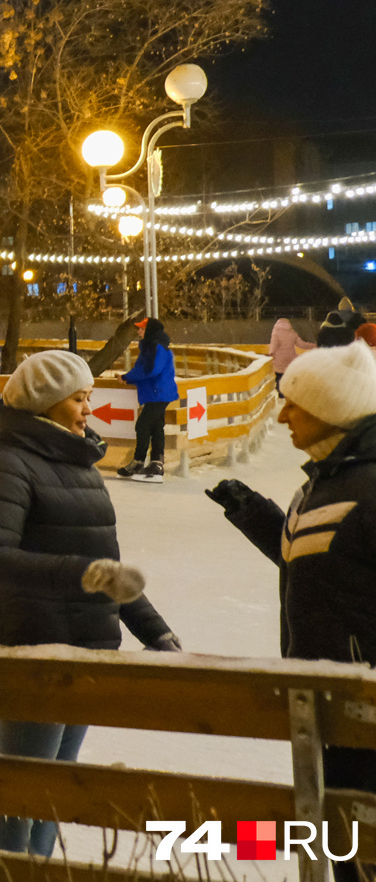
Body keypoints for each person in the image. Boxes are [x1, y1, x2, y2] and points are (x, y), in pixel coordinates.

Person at [0, 350, 180, 858]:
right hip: (33, 650)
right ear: (47, 403)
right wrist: (81, 576)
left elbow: (106, 567)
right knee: (24, 792)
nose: (90, 408)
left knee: (56, 790)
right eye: (80, 398)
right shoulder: (8, 458)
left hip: (88, 649)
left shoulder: (78, 459)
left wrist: (156, 631)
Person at [207, 341, 376, 878]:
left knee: (359, 844)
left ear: (329, 412)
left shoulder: (370, 489)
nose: (280, 415)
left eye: (293, 404)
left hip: (362, 710)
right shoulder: (322, 483)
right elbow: (312, 559)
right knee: (337, 838)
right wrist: (255, 513)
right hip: (325, 704)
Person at [117, 319, 175, 482]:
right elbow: (142, 368)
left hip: (159, 392)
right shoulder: (150, 346)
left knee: (142, 424)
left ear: (149, 330)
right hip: (155, 392)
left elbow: (151, 370)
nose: (139, 332)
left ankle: (139, 462)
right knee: (156, 426)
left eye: (142, 329)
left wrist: (128, 376)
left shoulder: (157, 347)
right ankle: (157, 463)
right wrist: (128, 378)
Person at [270, 318, 315, 394]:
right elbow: (302, 344)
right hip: (290, 358)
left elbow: (273, 347)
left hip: (280, 359)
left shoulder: (276, 333)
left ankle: (281, 395)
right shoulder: (292, 333)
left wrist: (271, 354)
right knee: (289, 376)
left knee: (279, 377)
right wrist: (313, 345)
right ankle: (290, 393)